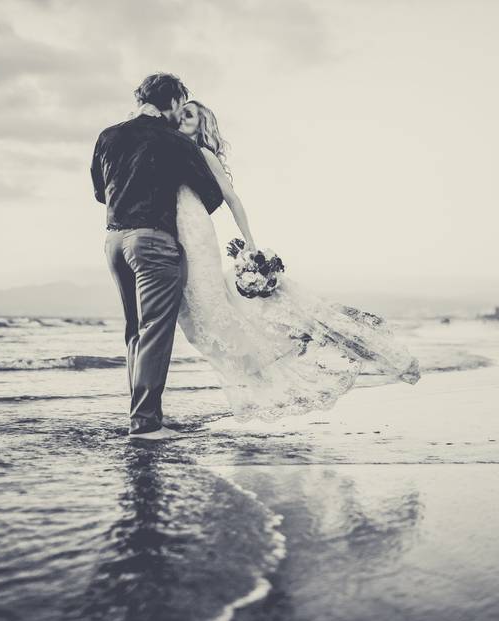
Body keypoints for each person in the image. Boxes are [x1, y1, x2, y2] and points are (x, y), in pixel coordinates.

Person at [163, 98, 420, 423]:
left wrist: (251, 244)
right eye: (181, 112)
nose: (182, 117)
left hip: (195, 232)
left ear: (201, 126)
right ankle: (267, 360)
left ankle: (284, 353)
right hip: (178, 230)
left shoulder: (203, 154)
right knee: (200, 319)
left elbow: (232, 198)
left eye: (191, 115)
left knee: (209, 314)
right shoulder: (170, 149)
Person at [91, 73, 223, 439]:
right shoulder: (173, 141)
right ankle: (146, 424)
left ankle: (146, 416)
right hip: (154, 242)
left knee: (134, 331)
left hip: (114, 242)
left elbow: (101, 193)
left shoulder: (108, 135)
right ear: (175, 100)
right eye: (181, 103)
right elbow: (210, 196)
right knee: (154, 332)